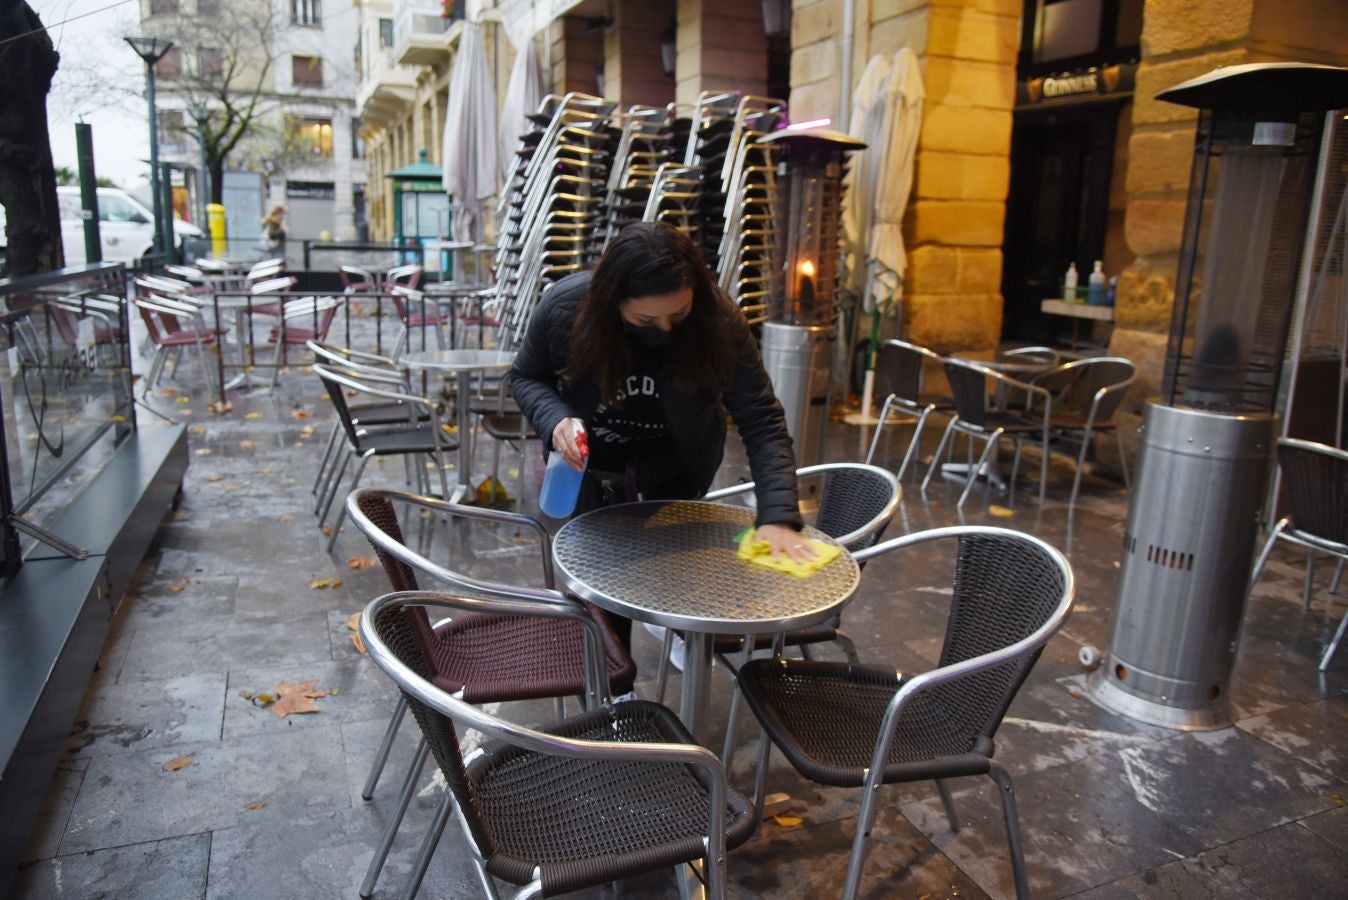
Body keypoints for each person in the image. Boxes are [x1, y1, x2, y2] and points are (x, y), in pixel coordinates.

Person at [511, 222, 815, 651]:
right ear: (611, 303)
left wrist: (778, 515)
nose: (666, 329)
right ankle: (615, 690)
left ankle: (670, 630)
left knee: (675, 570)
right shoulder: (565, 308)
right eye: (645, 320)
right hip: (592, 469)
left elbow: (761, 419)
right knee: (604, 586)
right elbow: (525, 376)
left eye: (679, 315)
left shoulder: (718, 322)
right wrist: (556, 418)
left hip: (678, 467)